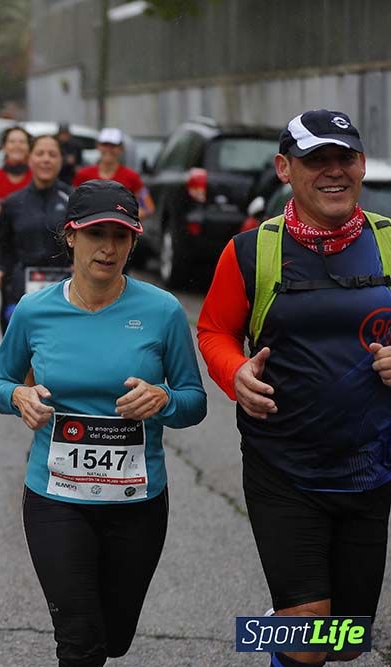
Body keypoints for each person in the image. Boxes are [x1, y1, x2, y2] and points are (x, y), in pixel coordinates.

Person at [197, 109, 391, 667]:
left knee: (348, 644)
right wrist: (234, 371)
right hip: (282, 466)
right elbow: (213, 330)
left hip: (370, 467)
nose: (334, 172)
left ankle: (278, 632)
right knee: (311, 641)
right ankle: (293, 630)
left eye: (344, 158)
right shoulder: (251, 251)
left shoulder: (387, 241)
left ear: (360, 164)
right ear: (285, 168)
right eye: (316, 160)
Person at [0, 179, 206, 666]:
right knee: (79, 641)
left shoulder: (163, 311)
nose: (108, 248)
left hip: (136, 501)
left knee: (113, 637)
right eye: (95, 234)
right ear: (70, 236)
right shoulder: (34, 310)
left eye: (121, 236)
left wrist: (163, 399)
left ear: (134, 239)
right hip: (55, 497)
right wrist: (19, 394)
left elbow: (195, 401)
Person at [0, 133, 72, 334]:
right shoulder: (14, 203)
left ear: (60, 160)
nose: (46, 159)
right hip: (19, 291)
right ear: (29, 159)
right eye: (40, 153)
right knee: (21, 358)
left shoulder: (74, 200)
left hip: (64, 292)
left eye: (52, 154)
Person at [73, 128, 154, 219]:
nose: (108, 149)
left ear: (121, 149)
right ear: (98, 146)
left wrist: (129, 217)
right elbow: (73, 205)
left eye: (113, 145)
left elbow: (149, 207)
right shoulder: (83, 175)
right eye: (105, 144)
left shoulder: (132, 176)